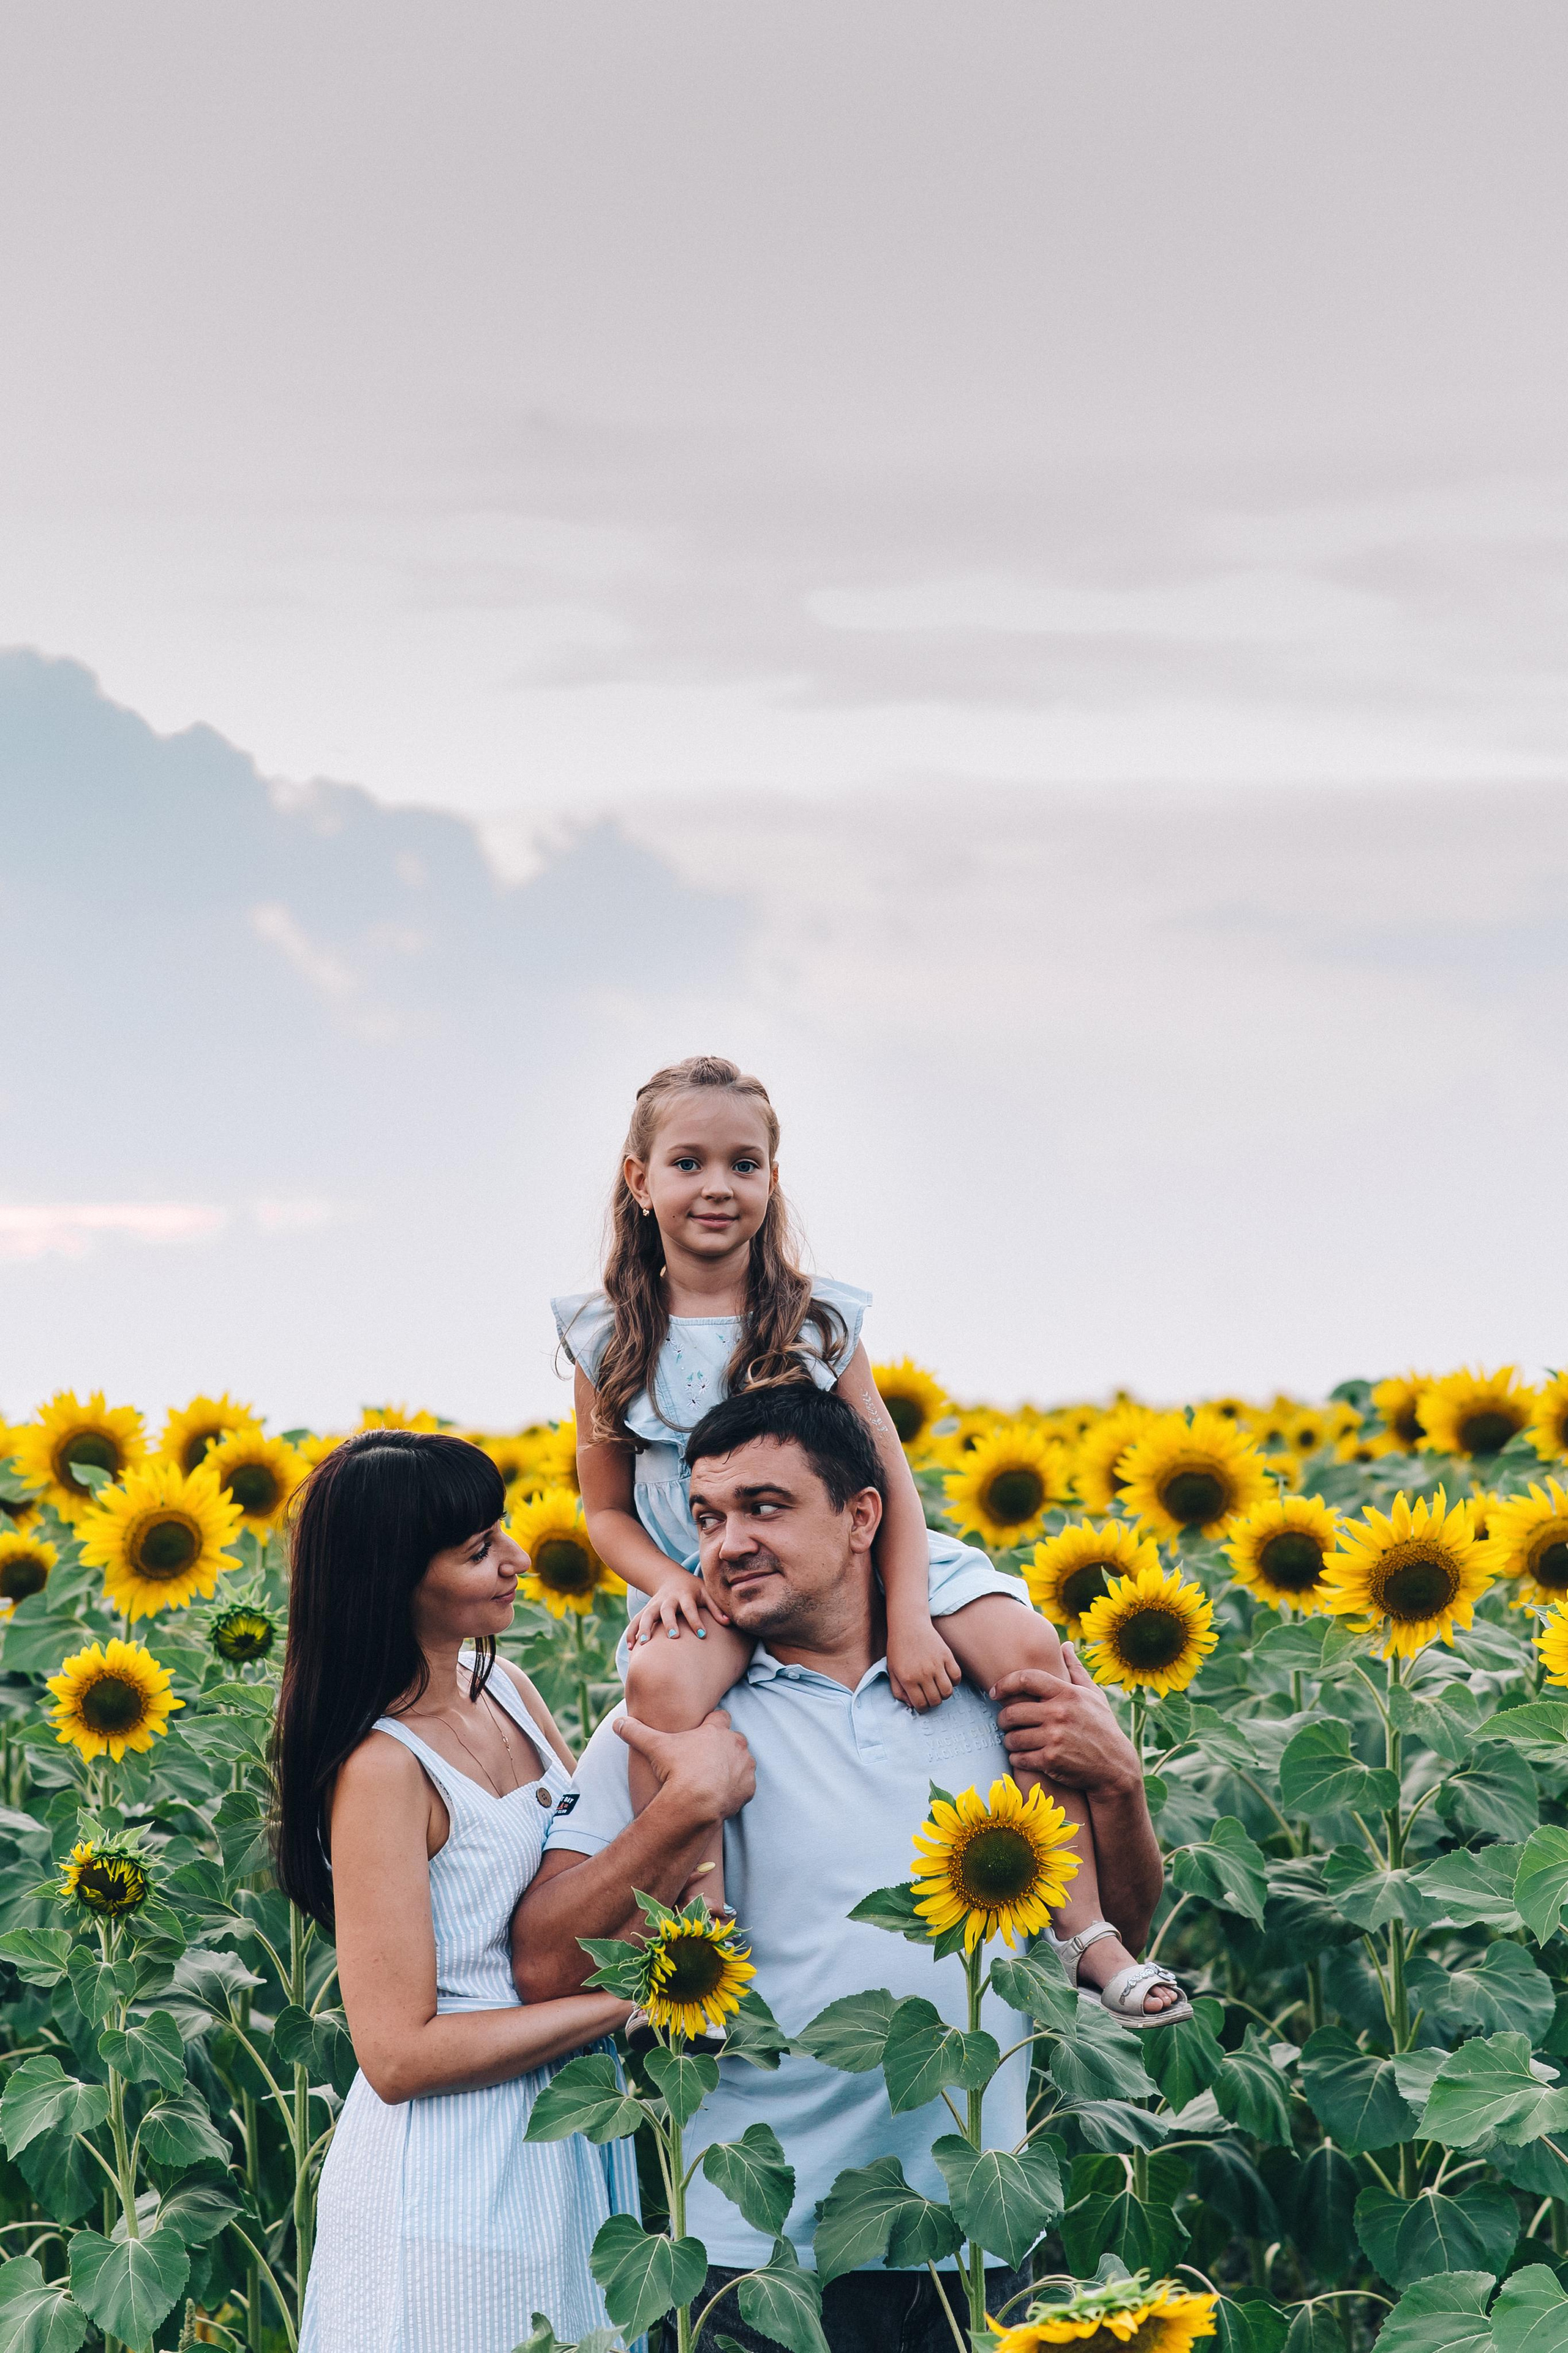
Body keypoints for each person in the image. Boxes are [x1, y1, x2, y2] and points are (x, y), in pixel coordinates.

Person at [513, 1385, 1169, 2353]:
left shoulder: (982, 1690)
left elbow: (1119, 1923)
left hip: (978, 2239)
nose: (727, 1541)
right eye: (708, 1516)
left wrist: (1119, 1785)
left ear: (865, 1514)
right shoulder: (673, 1723)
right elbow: (542, 1964)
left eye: (765, 1507)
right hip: (754, 2260)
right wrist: (682, 1807)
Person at [554, 1051, 1184, 2020]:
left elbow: (885, 1474)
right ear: (639, 1182)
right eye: (688, 1163)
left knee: (1021, 1646)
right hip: (704, 1577)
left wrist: (910, 1616)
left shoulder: (815, 1319)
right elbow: (602, 1507)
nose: (718, 1186)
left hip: (858, 1563)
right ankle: (702, 1936)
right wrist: (662, 1579)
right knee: (660, 1688)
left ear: (773, 1178)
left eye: (745, 1164)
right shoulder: (607, 1338)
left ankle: (1086, 1933)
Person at [273, 1430, 646, 2352]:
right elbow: (397, 2054)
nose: (519, 1559)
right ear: (392, 1579)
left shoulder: (508, 1689)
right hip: (456, 2176)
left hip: (568, 2143)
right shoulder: (382, 1769)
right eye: (479, 1549)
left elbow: (586, 1875)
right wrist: (619, 2002)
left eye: (501, 1531)